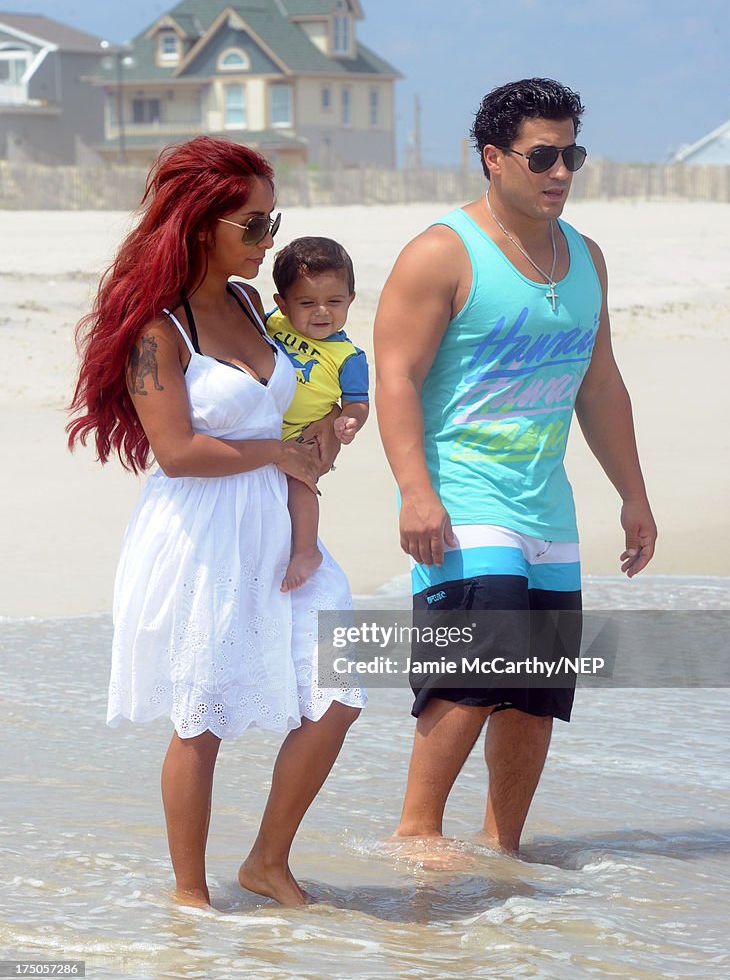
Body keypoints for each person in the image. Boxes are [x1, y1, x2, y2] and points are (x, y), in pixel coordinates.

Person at [67, 136, 363, 909]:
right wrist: (280, 452)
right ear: (202, 225)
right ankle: (190, 896)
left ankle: (267, 862)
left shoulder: (247, 304)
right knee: (204, 718)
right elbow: (177, 451)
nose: (270, 241)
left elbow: (292, 394)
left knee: (339, 688)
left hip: (277, 522)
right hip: (203, 535)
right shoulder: (157, 331)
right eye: (254, 225)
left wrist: (326, 431)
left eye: (274, 221)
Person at [373, 78, 656, 854]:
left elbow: (597, 383)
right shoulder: (441, 252)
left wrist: (634, 494)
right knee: (471, 672)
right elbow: (393, 375)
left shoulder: (586, 257)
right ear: (494, 158)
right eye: (543, 156)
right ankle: (417, 837)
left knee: (535, 695)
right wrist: (414, 491)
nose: (560, 171)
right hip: (464, 499)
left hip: (547, 508)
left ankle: (502, 855)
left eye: (573, 155)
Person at [266, 237, 369, 592]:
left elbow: (357, 401)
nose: (322, 312)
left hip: (301, 437)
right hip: (260, 432)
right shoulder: (273, 323)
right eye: (307, 303)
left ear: (351, 300)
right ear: (282, 302)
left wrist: (349, 420)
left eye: (335, 302)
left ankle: (307, 550)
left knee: (301, 486)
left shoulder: (348, 356)